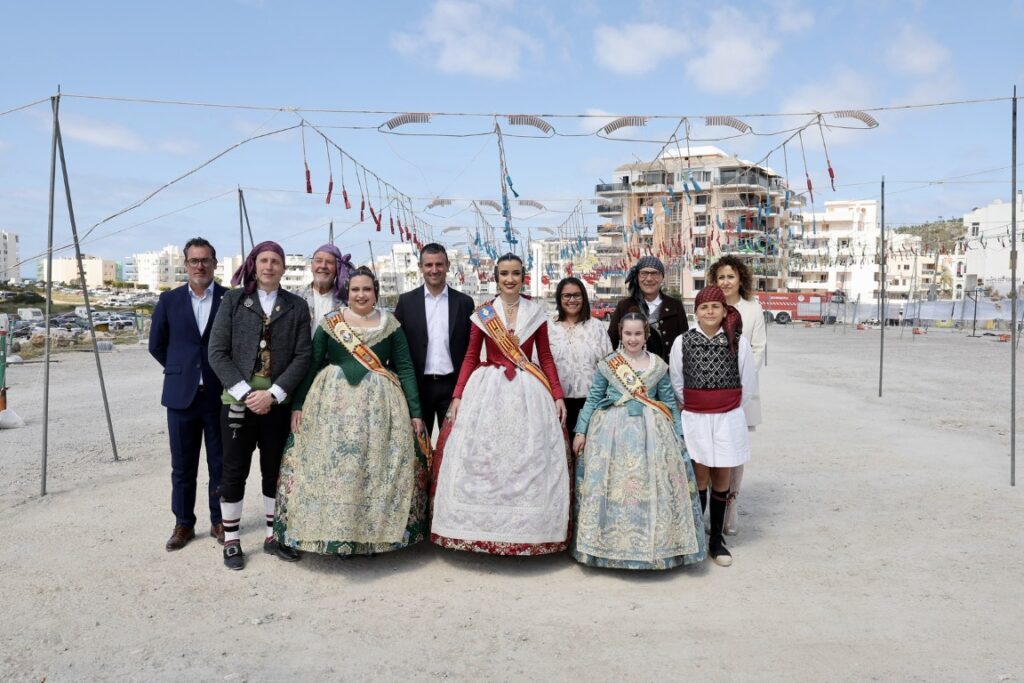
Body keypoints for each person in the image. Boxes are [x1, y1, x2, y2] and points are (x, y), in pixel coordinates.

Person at [274, 267, 429, 556]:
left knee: (374, 467)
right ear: (347, 292)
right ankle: (333, 534)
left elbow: (406, 367)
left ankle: (371, 538)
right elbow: (312, 363)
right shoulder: (331, 323)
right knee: (334, 468)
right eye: (355, 289)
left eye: (367, 289)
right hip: (332, 405)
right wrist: (298, 404)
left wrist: (415, 412)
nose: (361, 295)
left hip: (380, 407)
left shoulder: (390, 324)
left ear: (375, 292)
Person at [431, 253, 570, 555]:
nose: (510, 279)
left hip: (528, 390)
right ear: (496, 277)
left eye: (515, 273)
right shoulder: (484, 314)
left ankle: (526, 531)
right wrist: (458, 395)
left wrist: (557, 394)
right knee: (484, 458)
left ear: (523, 277)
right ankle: (482, 529)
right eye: (504, 273)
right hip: (488, 389)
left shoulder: (536, 312)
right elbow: (471, 356)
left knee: (527, 458)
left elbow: (545, 357)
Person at [570, 313, 705, 570]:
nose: (632, 339)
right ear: (620, 334)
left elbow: (668, 402)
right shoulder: (609, 364)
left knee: (651, 486)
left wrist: (679, 435)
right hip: (611, 433)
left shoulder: (658, 365)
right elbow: (593, 398)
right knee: (613, 487)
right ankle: (606, 548)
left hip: (652, 433)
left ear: (646, 335)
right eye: (628, 333)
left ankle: (654, 547)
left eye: (638, 334)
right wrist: (581, 431)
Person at [208, 241, 312, 570]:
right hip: (238, 402)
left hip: (276, 404)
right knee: (233, 471)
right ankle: (232, 540)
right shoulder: (234, 300)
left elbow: (303, 355)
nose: (269, 266)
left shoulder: (296, 305)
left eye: (275, 261)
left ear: (283, 268)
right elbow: (217, 351)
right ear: (254, 265)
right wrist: (246, 393)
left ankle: (273, 536)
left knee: (274, 470)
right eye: (263, 260)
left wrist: (274, 394)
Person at [669, 285, 757, 567]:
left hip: (728, 418)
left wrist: (726, 407)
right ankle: (696, 536)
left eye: (715, 307)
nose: (709, 312)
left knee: (722, 477)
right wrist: (697, 405)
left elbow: (747, 383)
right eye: (704, 307)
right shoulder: (682, 341)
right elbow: (677, 381)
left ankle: (716, 539)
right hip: (696, 418)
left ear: (724, 310)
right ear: (696, 312)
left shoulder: (738, 341)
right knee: (700, 476)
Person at [149, 237, 228, 551]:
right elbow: (157, 344)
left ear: (214, 264)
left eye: (205, 260)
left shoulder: (229, 299)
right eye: (194, 260)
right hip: (181, 396)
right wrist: (180, 370)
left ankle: (219, 520)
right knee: (182, 466)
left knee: (220, 463)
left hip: (218, 396)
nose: (200, 266)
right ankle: (183, 522)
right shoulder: (169, 301)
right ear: (185, 265)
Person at [708, 256, 766, 536]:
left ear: (740, 279)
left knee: (735, 450)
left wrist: (739, 383)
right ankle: (713, 508)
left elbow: (758, 349)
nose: (726, 282)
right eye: (721, 277)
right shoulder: (710, 307)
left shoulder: (753, 309)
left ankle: (731, 506)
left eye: (730, 276)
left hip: (741, 391)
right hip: (710, 391)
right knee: (712, 449)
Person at [393, 243, 474, 436]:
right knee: (419, 446)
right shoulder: (406, 302)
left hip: (453, 388)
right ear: (420, 267)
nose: (434, 270)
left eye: (439, 264)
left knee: (453, 444)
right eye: (429, 265)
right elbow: (397, 349)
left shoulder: (464, 303)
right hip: (418, 389)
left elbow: (471, 350)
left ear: (447, 266)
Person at [548, 276, 612, 435]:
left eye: (577, 295)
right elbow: (540, 363)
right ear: (559, 298)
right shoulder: (548, 326)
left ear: (584, 297)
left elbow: (609, 364)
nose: (572, 300)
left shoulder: (596, 326)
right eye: (567, 296)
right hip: (556, 402)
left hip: (591, 403)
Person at [608, 256, 688, 362]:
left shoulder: (675, 306)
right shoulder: (624, 306)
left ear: (662, 277)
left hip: (667, 369)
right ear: (637, 276)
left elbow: (684, 344)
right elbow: (610, 343)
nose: (649, 279)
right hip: (631, 369)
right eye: (644, 273)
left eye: (655, 273)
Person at [295, 244, 355, 336]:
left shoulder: (346, 303)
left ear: (337, 268)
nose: (323, 266)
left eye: (329, 262)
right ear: (311, 266)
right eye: (318, 261)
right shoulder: (295, 298)